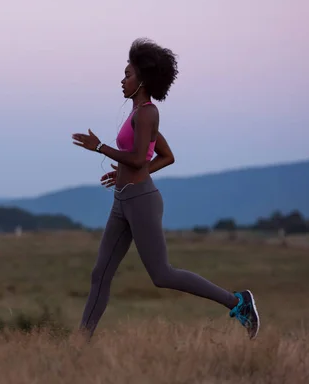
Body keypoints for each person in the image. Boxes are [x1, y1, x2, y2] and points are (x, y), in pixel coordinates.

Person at [71, 38, 260, 340]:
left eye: (128, 74)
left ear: (142, 80)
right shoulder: (136, 114)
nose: (122, 80)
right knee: (101, 273)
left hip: (141, 201)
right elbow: (163, 157)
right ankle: (79, 345)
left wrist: (101, 148)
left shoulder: (147, 112)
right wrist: (119, 172)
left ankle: (238, 302)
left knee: (162, 275)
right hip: (122, 201)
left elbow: (136, 158)